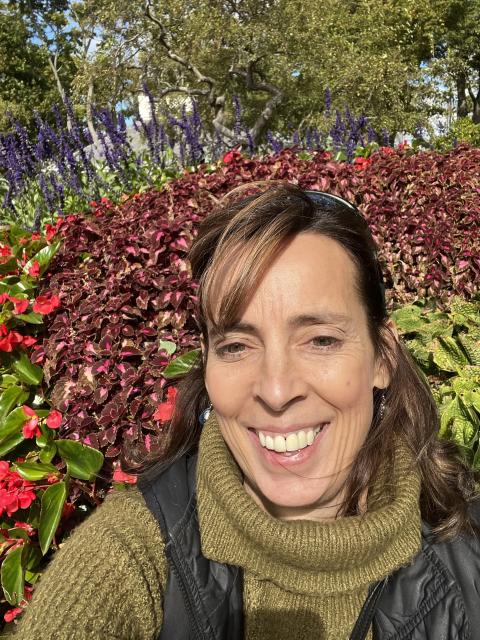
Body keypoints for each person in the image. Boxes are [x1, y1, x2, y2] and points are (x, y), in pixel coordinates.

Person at [16, 183, 480, 640]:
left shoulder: (468, 555)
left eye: (321, 340)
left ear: (382, 358)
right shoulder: (132, 555)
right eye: (237, 345)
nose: (276, 391)